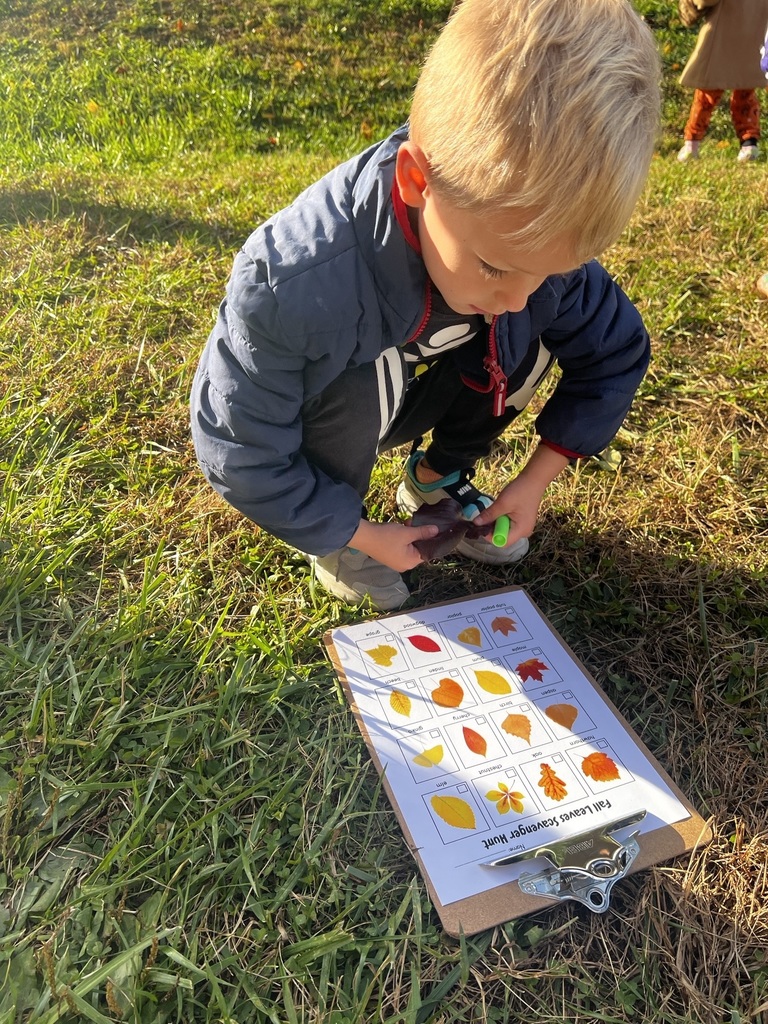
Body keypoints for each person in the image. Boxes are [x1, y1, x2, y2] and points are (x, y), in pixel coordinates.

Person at [190, 0, 660, 611]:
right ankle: (339, 536)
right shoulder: (294, 282)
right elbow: (240, 444)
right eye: (495, 267)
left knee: (538, 327)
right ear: (417, 181)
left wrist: (534, 481)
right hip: (345, 398)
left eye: (550, 272)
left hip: (430, 379)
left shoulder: (524, 251)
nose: (516, 296)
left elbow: (617, 350)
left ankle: (437, 475)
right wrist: (358, 534)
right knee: (355, 376)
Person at [677, 0, 768, 163]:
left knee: (706, 94)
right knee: (745, 91)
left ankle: (692, 142)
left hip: (724, 33)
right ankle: (749, 143)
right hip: (755, 33)